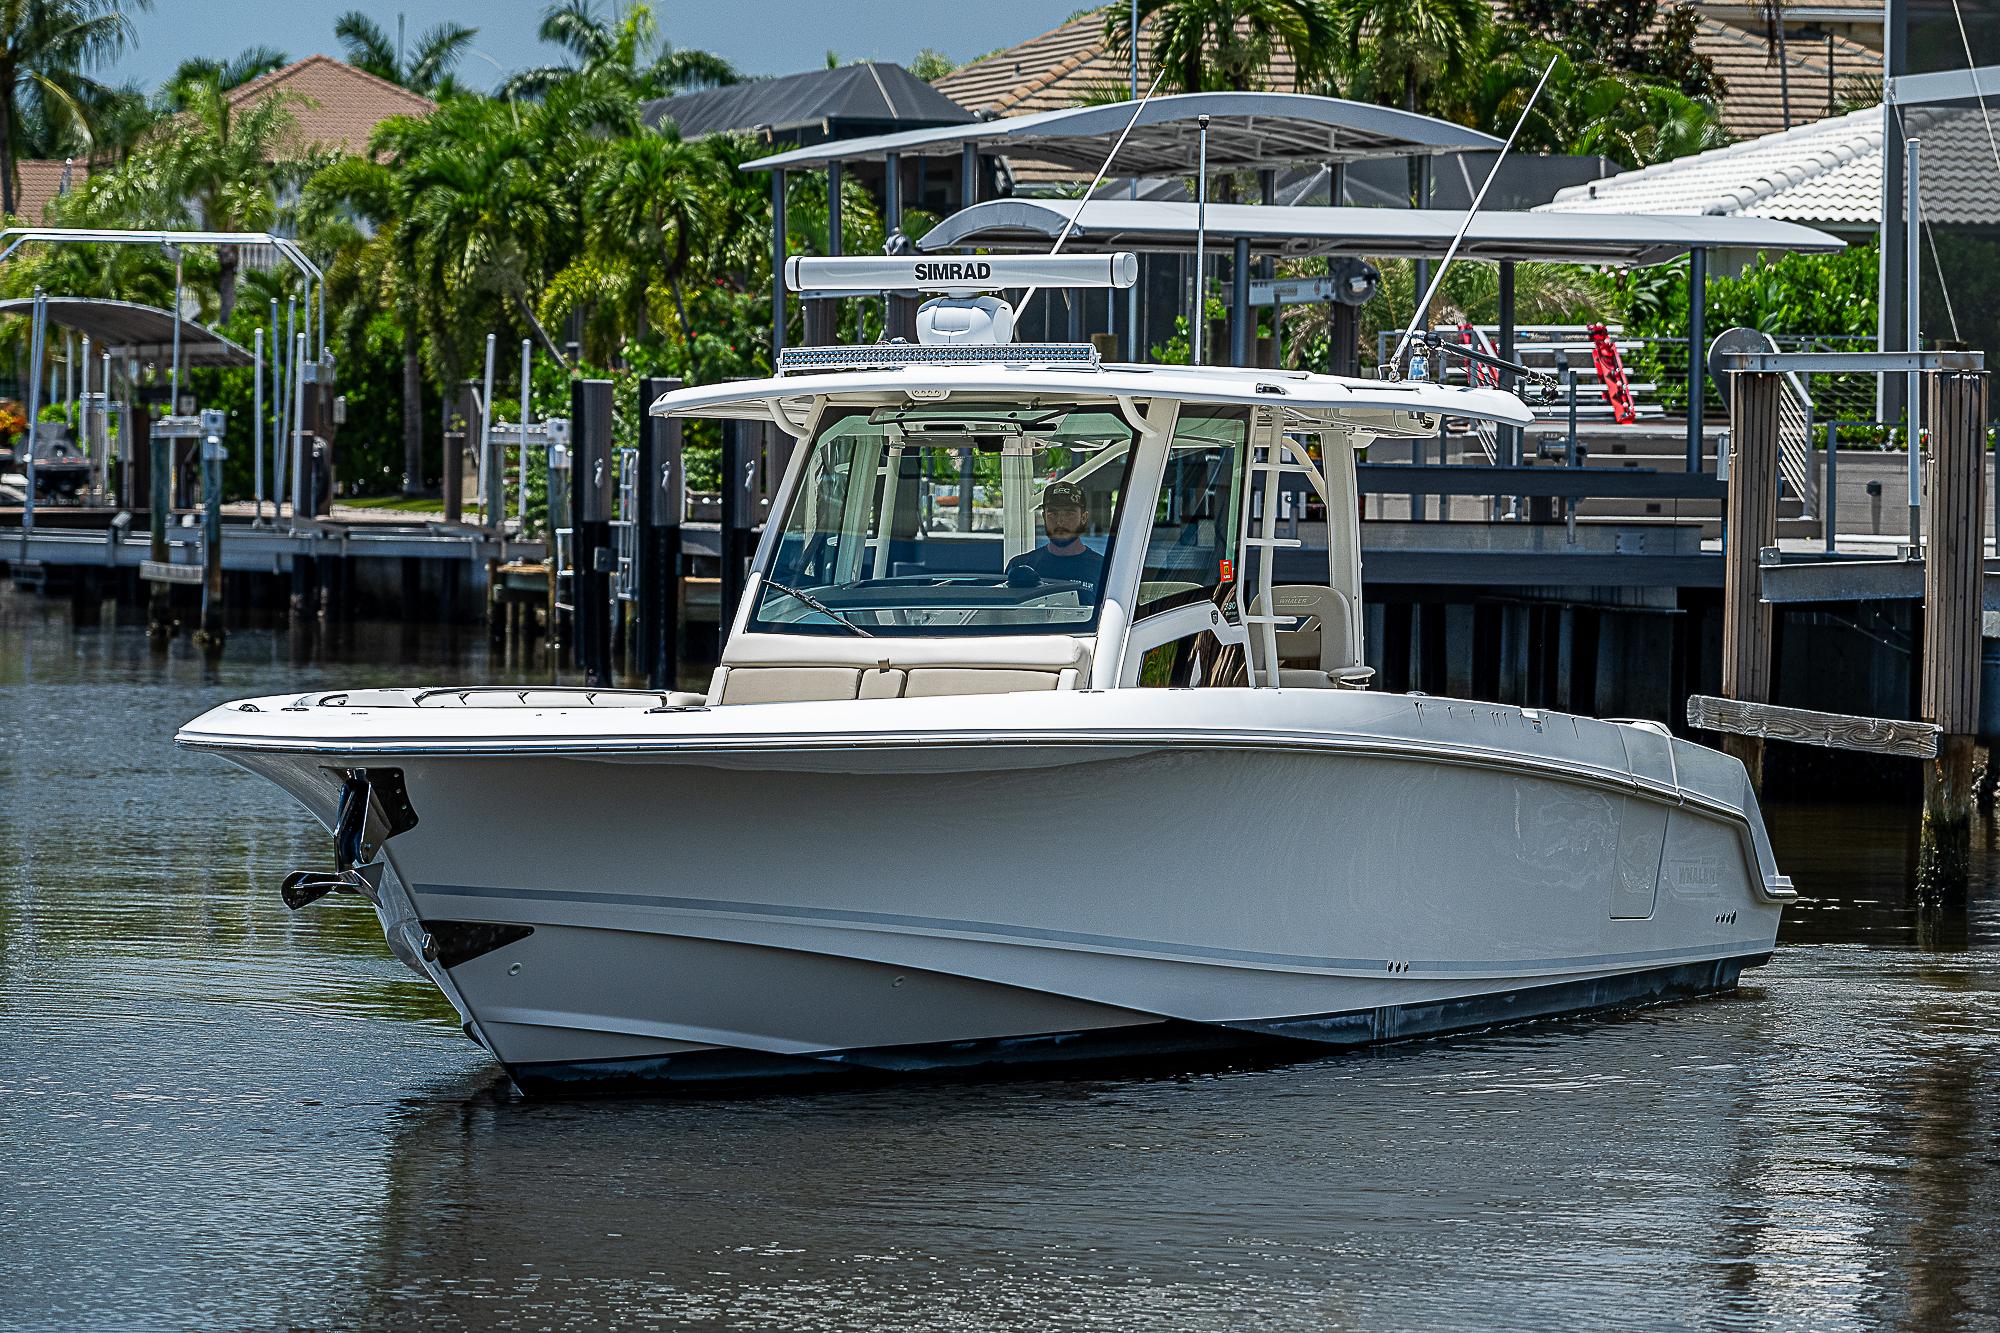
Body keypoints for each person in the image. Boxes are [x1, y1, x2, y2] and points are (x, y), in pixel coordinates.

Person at [1006, 481, 1103, 592]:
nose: (1060, 522)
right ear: (1044, 517)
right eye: (1053, 514)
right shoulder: (1020, 566)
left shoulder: (1103, 569)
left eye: (1069, 514)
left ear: (1084, 517)